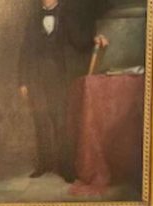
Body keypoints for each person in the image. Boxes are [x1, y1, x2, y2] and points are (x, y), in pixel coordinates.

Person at [18, 0, 108, 181]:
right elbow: (25, 51)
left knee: (60, 123)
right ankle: (43, 165)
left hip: (58, 78)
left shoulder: (66, 14)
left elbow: (79, 41)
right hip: (36, 78)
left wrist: (94, 40)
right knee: (41, 122)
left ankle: (66, 168)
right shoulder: (33, 19)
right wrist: (23, 82)